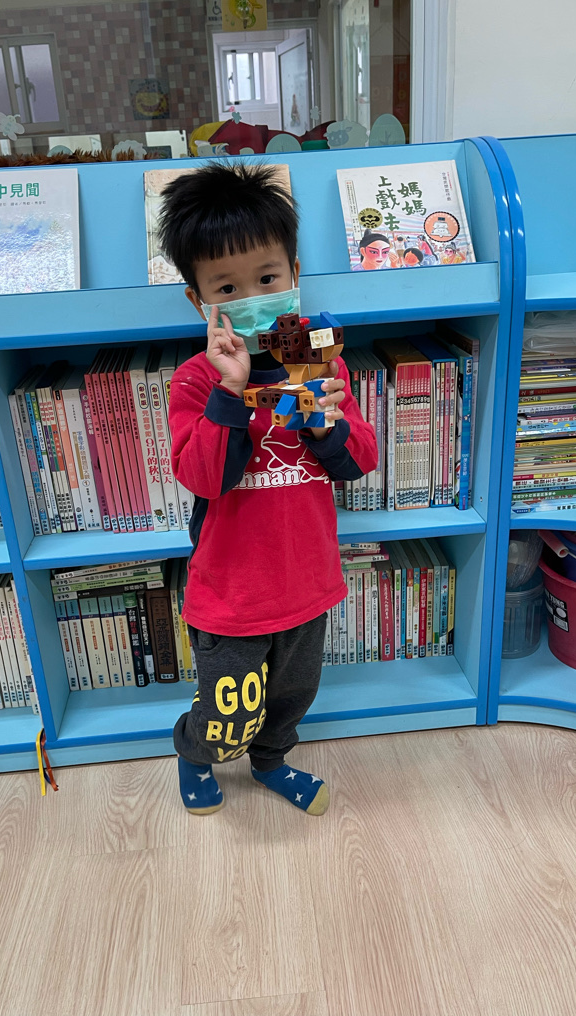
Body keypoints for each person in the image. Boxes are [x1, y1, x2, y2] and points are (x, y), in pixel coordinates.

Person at [158, 162, 378, 817]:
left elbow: (359, 460)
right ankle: (195, 752)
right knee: (226, 711)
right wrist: (231, 391)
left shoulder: (315, 359)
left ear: (295, 274)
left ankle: (272, 761)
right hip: (231, 592)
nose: (253, 296)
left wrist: (326, 423)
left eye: (268, 278)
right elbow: (205, 477)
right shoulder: (196, 381)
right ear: (199, 301)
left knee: (290, 697)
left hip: (307, 580)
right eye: (228, 287)